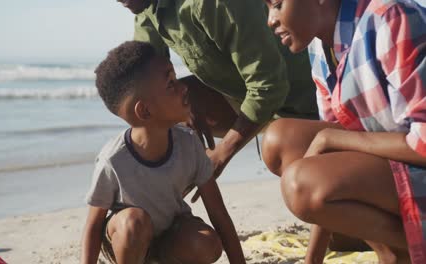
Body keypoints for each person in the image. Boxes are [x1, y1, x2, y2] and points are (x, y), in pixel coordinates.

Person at [261, 0, 426, 263]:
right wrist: (312, 259)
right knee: (281, 140)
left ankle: (409, 249)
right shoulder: (319, 46)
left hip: (417, 160)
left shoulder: (391, 18)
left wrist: (333, 137)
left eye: (278, 4)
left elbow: (424, 142)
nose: (270, 20)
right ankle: (394, 254)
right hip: (400, 166)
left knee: (302, 180)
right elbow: (324, 160)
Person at [117, 0, 318, 189]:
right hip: (253, 97)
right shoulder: (147, 8)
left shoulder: (212, 4)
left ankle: (310, 159)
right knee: (160, 108)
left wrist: (222, 153)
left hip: (308, 104)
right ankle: (175, 204)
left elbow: (270, 85)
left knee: (297, 180)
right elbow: (143, 91)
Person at [80, 41, 246, 264]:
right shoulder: (113, 160)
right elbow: (93, 226)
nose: (184, 87)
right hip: (128, 244)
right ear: (145, 110)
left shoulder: (189, 143)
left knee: (206, 242)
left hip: (170, 238)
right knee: (133, 222)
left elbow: (218, 213)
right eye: (171, 84)